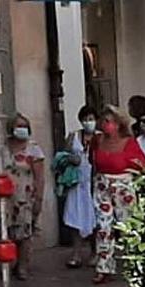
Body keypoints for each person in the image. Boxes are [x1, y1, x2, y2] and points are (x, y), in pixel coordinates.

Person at [91, 105, 145, 284]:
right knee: (103, 226)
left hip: (123, 185)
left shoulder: (129, 142)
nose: (104, 124)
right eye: (103, 121)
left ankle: (135, 266)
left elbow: (142, 164)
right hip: (102, 185)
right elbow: (92, 161)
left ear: (117, 124)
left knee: (127, 225)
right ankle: (104, 267)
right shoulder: (97, 140)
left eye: (108, 121)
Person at [3, 114, 45, 281]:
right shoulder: (2, 147)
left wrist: (39, 199)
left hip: (26, 196)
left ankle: (23, 265)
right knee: (8, 231)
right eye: (18, 125)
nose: (21, 129)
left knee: (25, 232)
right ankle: (10, 263)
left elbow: (40, 176)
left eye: (24, 126)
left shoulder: (33, 148)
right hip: (6, 198)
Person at [63, 105, 99, 269]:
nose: (88, 122)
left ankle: (95, 252)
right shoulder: (73, 136)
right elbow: (62, 156)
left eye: (91, 119)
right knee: (74, 216)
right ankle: (76, 253)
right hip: (77, 183)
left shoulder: (101, 137)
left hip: (95, 182)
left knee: (95, 218)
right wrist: (70, 159)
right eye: (85, 119)